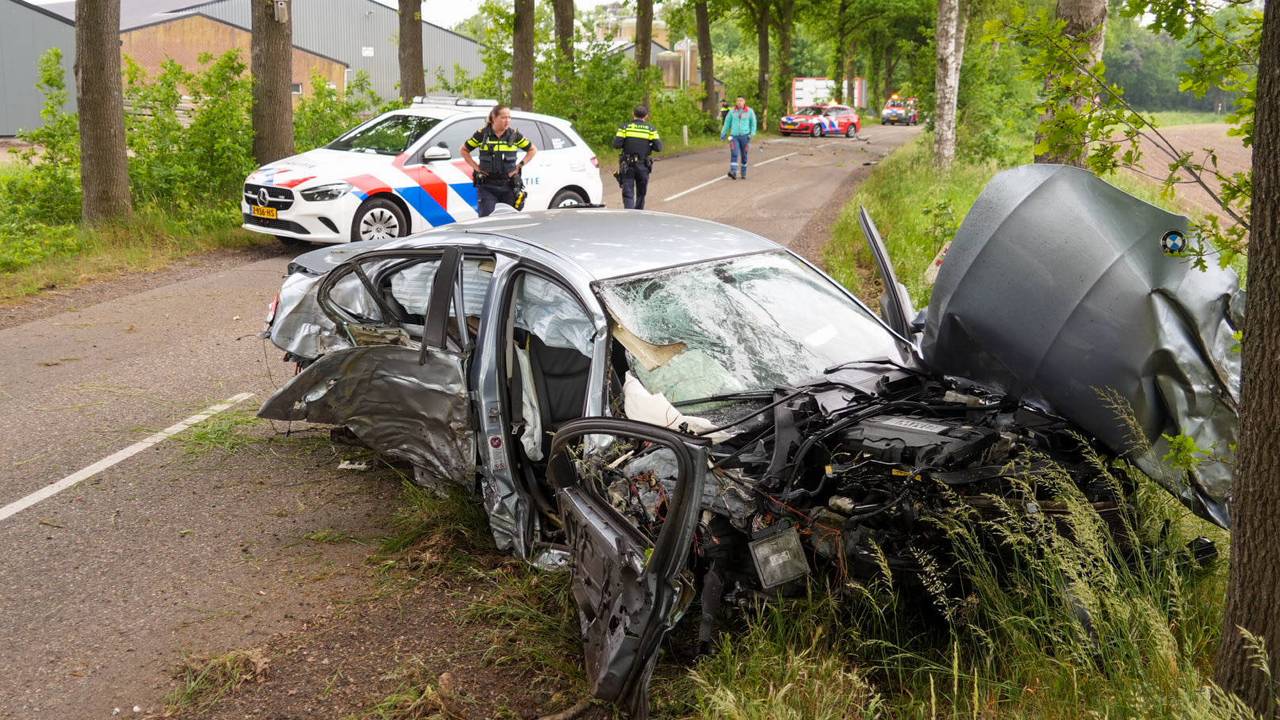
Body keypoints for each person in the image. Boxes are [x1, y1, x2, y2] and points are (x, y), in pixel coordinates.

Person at [461, 105, 537, 217]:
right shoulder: (482, 134)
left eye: (509, 117)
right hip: (487, 186)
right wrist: (476, 167)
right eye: (503, 117)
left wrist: (519, 165)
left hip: (509, 185)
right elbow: (464, 150)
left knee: (509, 221)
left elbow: (532, 149)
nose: (507, 121)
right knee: (487, 221)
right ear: (493, 117)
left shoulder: (514, 135)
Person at [612, 105, 663, 210]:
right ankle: (639, 214)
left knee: (628, 193)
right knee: (641, 193)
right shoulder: (650, 129)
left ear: (633, 114)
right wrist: (648, 145)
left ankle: (630, 215)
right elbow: (659, 147)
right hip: (643, 165)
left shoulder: (624, 127)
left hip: (628, 165)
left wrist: (627, 143)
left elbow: (616, 144)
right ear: (646, 116)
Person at [720, 96, 757, 180]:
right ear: (736, 102)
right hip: (734, 136)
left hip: (745, 136)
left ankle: (743, 172)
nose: (739, 102)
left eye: (741, 100)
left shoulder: (749, 111)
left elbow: (753, 123)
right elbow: (727, 123)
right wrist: (723, 133)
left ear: (744, 102)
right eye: (738, 101)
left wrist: (752, 134)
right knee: (734, 153)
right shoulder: (732, 112)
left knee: (744, 155)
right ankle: (733, 171)